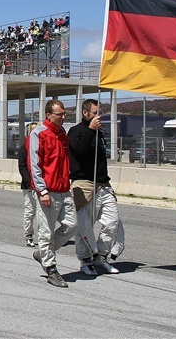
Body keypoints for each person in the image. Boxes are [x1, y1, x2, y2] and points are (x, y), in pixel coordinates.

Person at [68, 99, 123, 276]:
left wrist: (95, 131)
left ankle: (101, 255)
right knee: (85, 226)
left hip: (103, 184)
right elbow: (79, 150)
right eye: (95, 112)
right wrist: (91, 130)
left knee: (112, 222)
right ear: (85, 113)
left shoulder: (100, 133)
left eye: (100, 112)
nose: (99, 116)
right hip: (84, 184)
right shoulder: (76, 131)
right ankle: (85, 259)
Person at [29, 100, 77, 288]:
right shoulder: (38, 133)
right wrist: (42, 191)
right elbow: (35, 164)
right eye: (60, 114)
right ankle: (50, 267)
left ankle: (43, 252)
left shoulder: (62, 134)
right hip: (47, 191)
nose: (63, 117)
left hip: (64, 189)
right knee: (45, 232)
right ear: (49, 114)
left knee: (72, 225)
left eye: (64, 114)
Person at [19, 122, 39, 247]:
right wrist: (30, 182)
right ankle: (29, 234)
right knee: (30, 211)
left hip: (42, 184)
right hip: (29, 185)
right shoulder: (24, 148)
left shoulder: (42, 147)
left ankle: (45, 235)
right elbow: (22, 167)